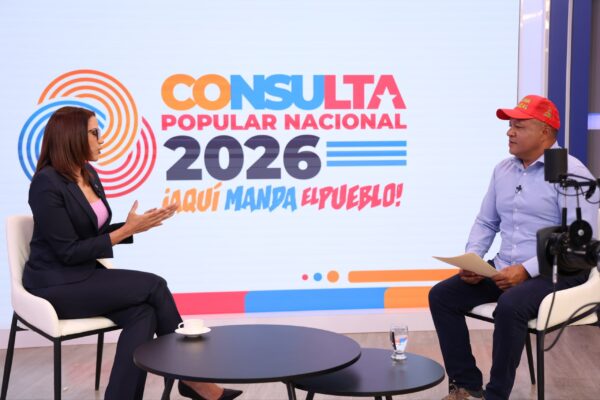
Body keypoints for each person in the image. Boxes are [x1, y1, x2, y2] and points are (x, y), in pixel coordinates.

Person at [23, 106, 242, 400]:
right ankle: (192, 379)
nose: (101, 139)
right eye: (94, 132)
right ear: (72, 136)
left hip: (83, 274)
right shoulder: (46, 183)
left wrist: (135, 226)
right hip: (55, 284)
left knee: (143, 313)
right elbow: (68, 251)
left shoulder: (88, 174)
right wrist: (126, 230)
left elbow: (91, 234)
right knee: (155, 285)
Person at [428, 95, 599, 400]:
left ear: (545, 132)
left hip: (558, 270)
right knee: (442, 296)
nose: (510, 132)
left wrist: (526, 270)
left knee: (510, 306)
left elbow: (578, 240)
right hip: (506, 265)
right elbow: (486, 221)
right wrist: (474, 259)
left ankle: (496, 395)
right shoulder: (503, 170)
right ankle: (467, 386)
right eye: (510, 125)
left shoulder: (570, 172)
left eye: (519, 126)